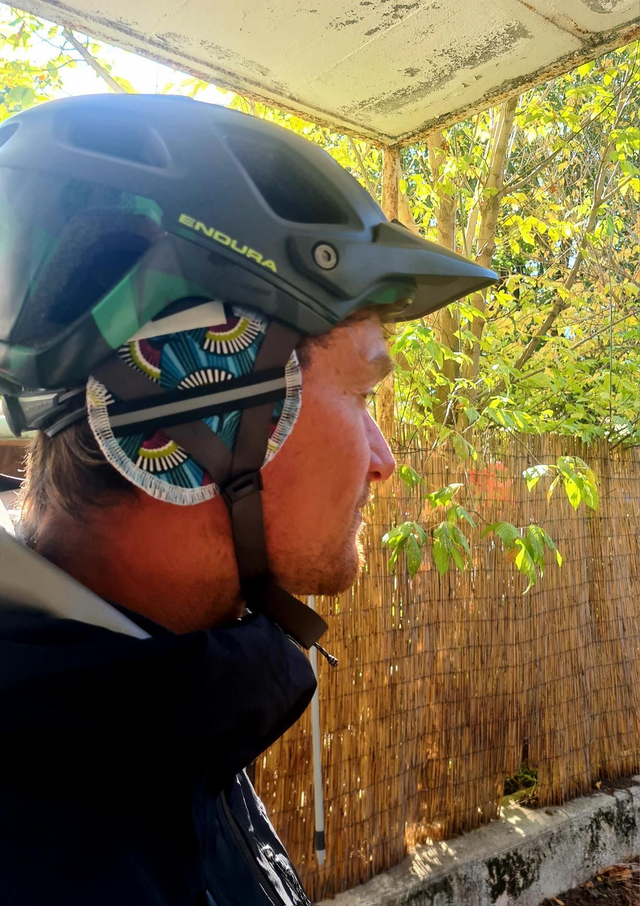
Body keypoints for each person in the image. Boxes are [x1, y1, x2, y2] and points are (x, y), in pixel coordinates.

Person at [0, 93, 497, 905]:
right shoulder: (41, 844)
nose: (385, 461)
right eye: (363, 395)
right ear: (200, 409)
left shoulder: (156, 701)